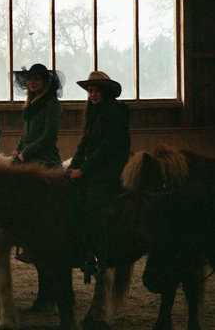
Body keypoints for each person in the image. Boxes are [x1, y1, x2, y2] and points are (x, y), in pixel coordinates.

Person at [67, 71, 130, 280]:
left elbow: (107, 149)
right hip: (94, 167)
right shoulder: (94, 115)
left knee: (93, 206)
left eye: (96, 90)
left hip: (110, 169)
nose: (92, 94)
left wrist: (83, 170)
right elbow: (84, 144)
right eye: (90, 91)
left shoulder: (115, 114)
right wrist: (72, 167)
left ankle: (98, 256)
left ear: (105, 92)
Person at [12, 63, 63, 168]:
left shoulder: (52, 103)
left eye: (36, 79)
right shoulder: (31, 104)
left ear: (45, 81)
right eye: (29, 79)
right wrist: (17, 149)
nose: (32, 82)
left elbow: (49, 136)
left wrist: (25, 153)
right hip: (26, 157)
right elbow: (26, 135)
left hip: (45, 159)